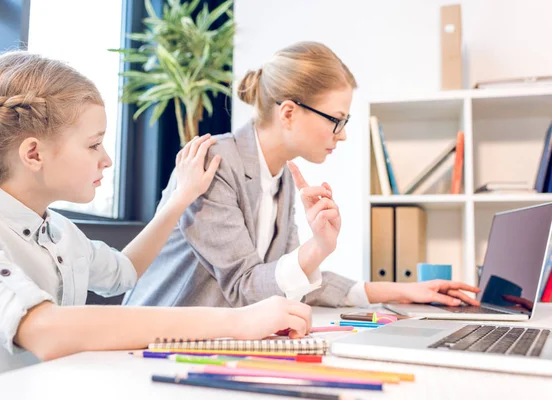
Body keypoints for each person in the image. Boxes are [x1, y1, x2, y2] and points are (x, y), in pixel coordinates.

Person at [0, 51, 312, 385]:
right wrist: (237, 322)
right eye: (94, 144)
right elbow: (44, 328)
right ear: (33, 153)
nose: (106, 159)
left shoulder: (61, 233)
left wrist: (179, 198)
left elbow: (124, 272)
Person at [124, 41, 480, 309]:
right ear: (290, 113)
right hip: (152, 344)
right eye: (336, 120)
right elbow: (244, 287)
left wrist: (403, 291)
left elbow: (289, 279)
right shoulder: (216, 163)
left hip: (215, 340)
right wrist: (318, 247)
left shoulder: (282, 179)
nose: (342, 134)